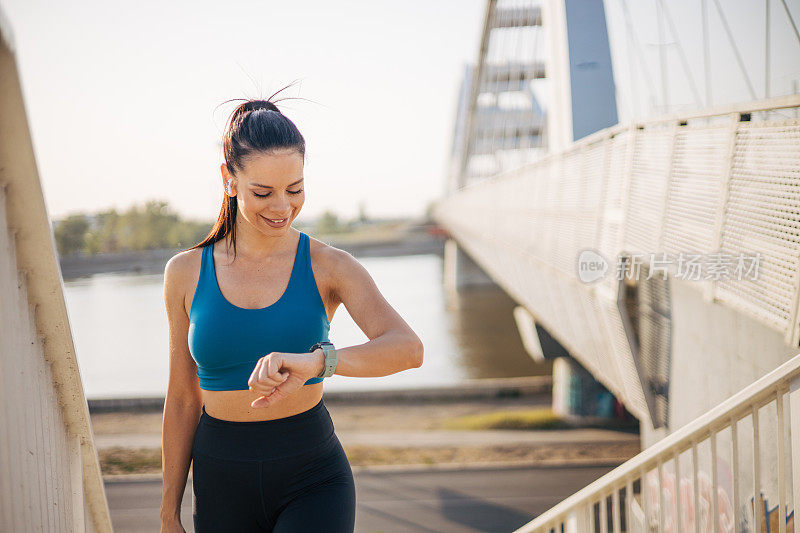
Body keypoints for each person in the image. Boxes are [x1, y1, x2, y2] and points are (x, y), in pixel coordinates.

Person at [159, 89, 424, 532]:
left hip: (312, 476)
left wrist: (319, 361)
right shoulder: (185, 272)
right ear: (229, 179)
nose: (282, 207)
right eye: (263, 192)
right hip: (220, 478)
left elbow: (407, 349)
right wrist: (169, 511)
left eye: (295, 189)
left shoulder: (329, 265)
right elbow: (183, 397)